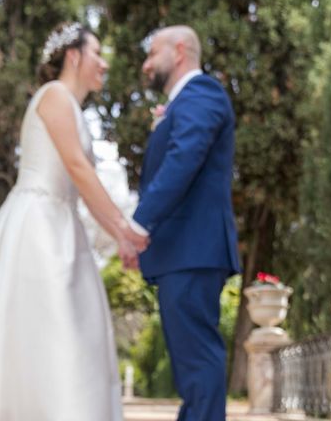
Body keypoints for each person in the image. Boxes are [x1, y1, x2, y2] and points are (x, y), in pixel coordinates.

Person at [0, 22, 145, 421]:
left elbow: (82, 186)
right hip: (38, 229)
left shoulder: (72, 107)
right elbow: (77, 168)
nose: (104, 63)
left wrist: (122, 238)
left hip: (62, 224)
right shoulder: (55, 95)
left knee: (74, 331)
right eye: (97, 53)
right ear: (74, 56)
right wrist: (123, 227)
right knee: (49, 326)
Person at [131, 25, 241, 421]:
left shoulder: (202, 93)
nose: (146, 65)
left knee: (197, 360)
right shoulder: (183, 103)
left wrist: (139, 227)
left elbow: (184, 159)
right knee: (191, 363)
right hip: (183, 250)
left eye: (152, 53)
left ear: (179, 52)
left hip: (193, 248)